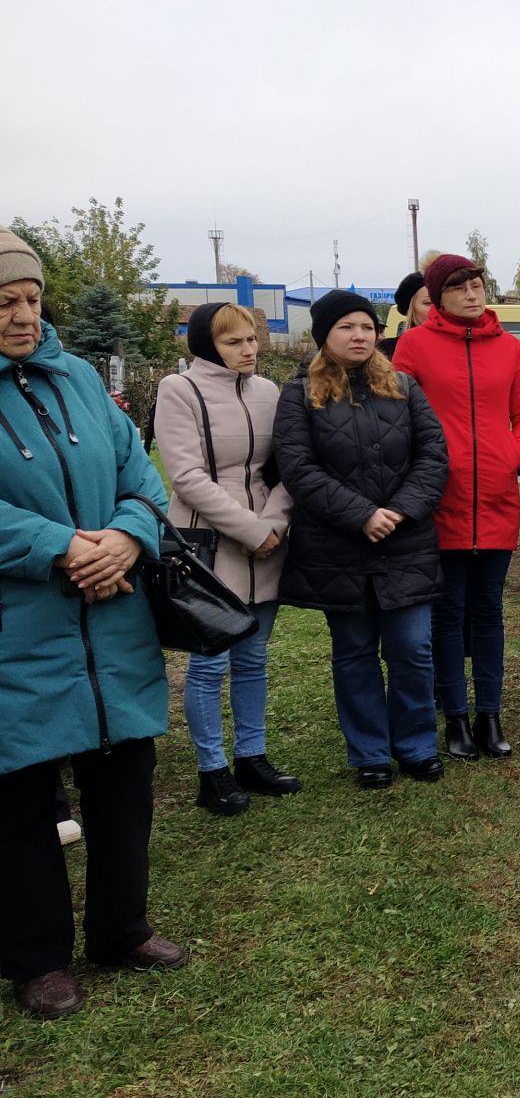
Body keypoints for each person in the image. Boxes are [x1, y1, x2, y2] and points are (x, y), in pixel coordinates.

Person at [0, 230, 186, 1020]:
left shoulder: (77, 378)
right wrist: (59, 546)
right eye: (5, 302)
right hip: (20, 629)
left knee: (123, 782)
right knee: (17, 803)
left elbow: (139, 473)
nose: (23, 315)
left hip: (112, 617)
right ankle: (37, 958)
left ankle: (122, 927)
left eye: (32, 299)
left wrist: (125, 536)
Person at [276, 292, 449, 788]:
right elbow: (298, 468)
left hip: (405, 542)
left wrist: (399, 510)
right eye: (346, 328)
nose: (359, 336)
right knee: (354, 653)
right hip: (338, 547)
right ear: (324, 337)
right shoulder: (300, 394)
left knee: (413, 649)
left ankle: (416, 744)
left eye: (366, 328)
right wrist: (361, 515)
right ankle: (370, 752)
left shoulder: (404, 387)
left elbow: (432, 455)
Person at [392, 253, 520, 761]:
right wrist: (428, 469)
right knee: (447, 614)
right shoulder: (414, 346)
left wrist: (511, 454)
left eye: (479, 285)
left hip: (497, 500)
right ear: (437, 296)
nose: (474, 295)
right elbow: (397, 418)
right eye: (461, 288)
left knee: (489, 612)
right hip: (440, 502)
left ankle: (490, 715)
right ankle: (454, 717)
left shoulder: (508, 349)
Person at [152, 303, 298, 816]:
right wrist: (250, 529)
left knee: (254, 660)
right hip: (211, 547)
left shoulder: (268, 392)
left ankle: (251, 756)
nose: (249, 349)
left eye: (253, 338)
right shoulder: (180, 390)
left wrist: (273, 525)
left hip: (267, 547)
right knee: (210, 663)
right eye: (234, 341)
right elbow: (188, 478)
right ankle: (211, 769)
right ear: (206, 345)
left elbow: (284, 468)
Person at [375, 271, 431, 357]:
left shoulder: (457, 347)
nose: (436, 309)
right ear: (411, 309)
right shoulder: (386, 351)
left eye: (440, 302)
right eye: (428, 303)